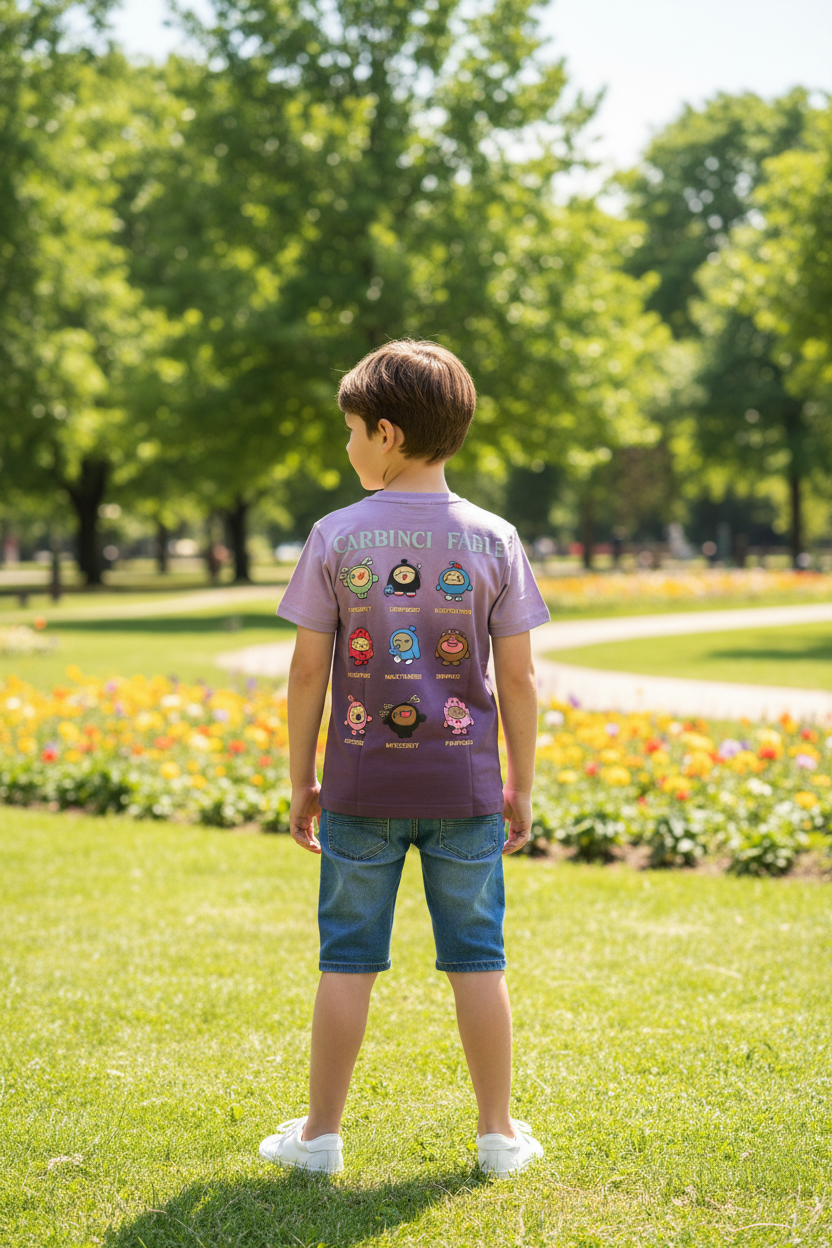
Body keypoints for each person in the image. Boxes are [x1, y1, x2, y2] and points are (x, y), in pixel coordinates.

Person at [259, 340, 550, 1179]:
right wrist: (519, 784)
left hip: (357, 787)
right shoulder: (496, 539)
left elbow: (308, 669)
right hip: (467, 791)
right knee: (478, 957)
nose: (345, 446)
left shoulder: (335, 536)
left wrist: (302, 781)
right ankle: (498, 1138)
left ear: (385, 433)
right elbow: (520, 678)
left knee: (348, 956)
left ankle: (318, 1139)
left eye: (349, 430)